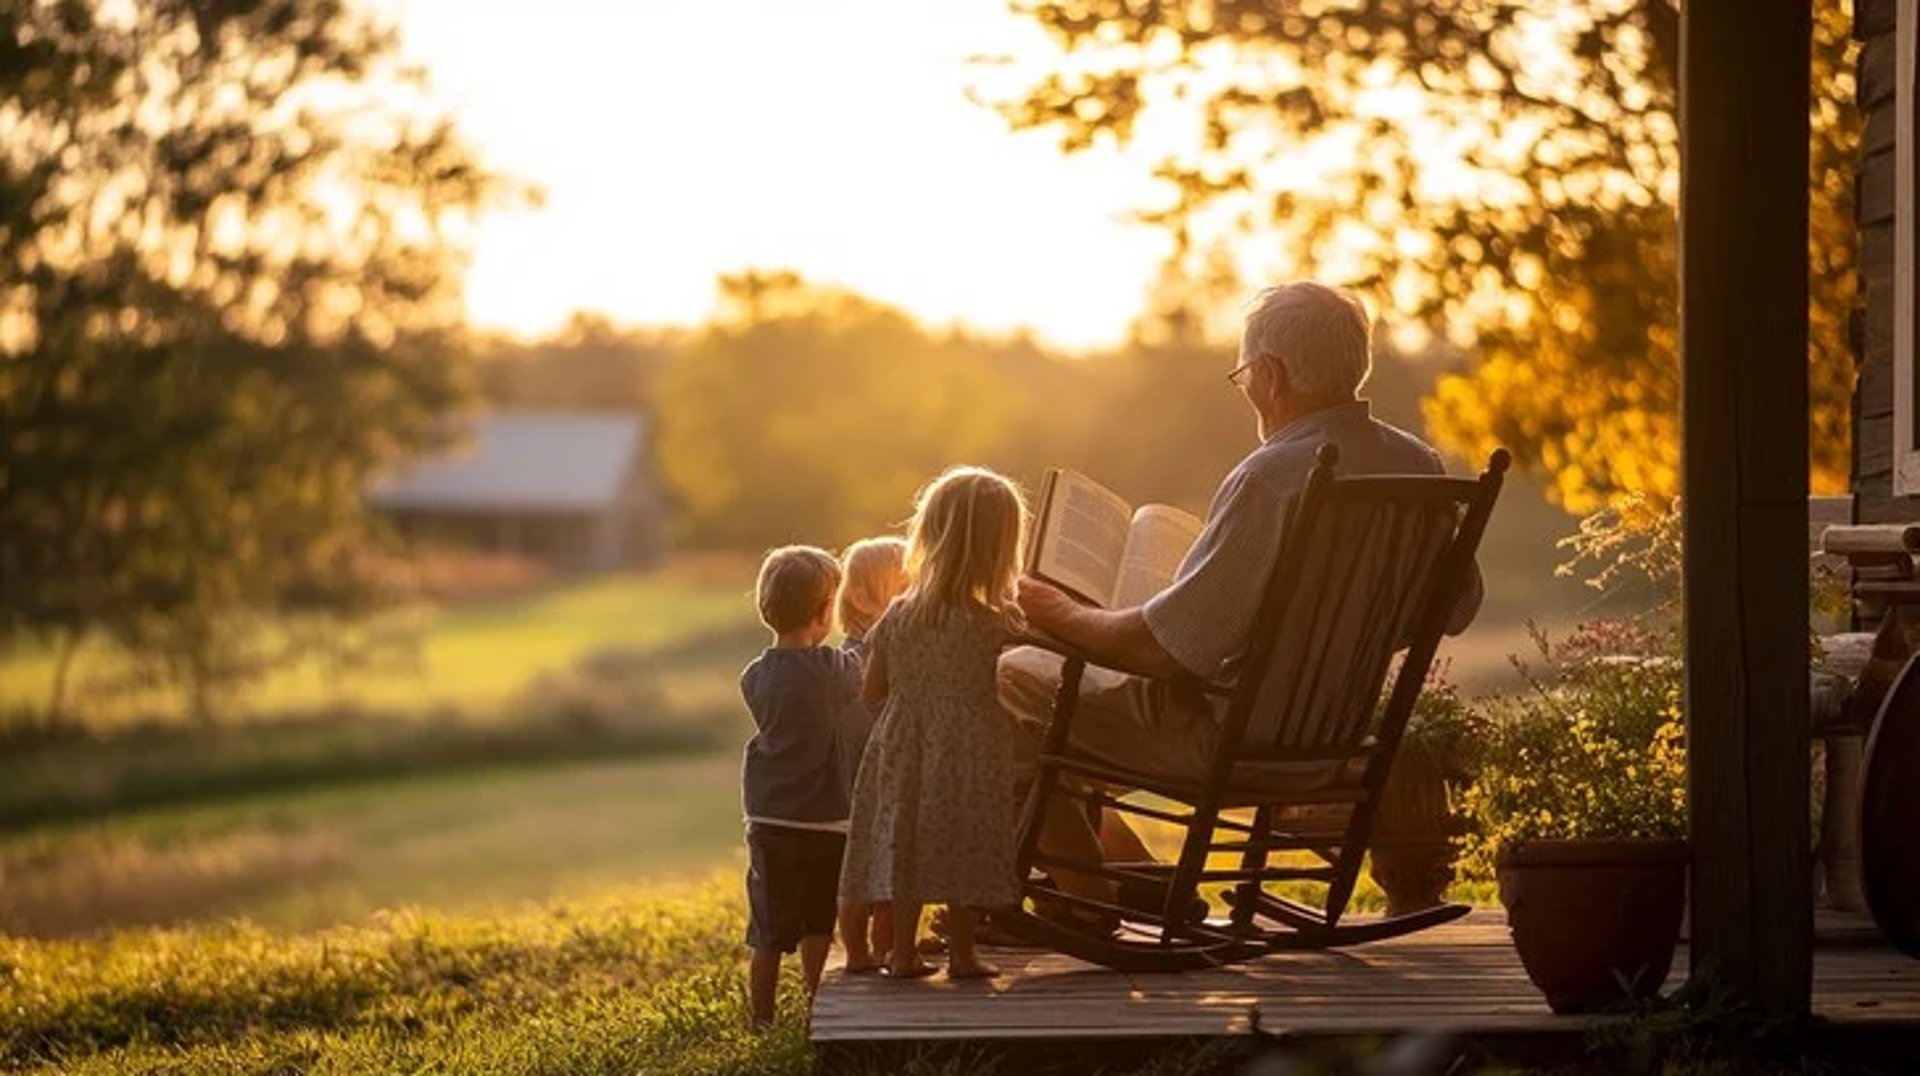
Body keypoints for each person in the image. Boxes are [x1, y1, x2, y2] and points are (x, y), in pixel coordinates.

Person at [1001, 282, 1484, 905]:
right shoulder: (1418, 464)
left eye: (1243, 376)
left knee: (1013, 674)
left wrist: (1058, 610)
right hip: (1332, 740)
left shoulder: (1274, 475)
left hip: (1228, 742)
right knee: (1053, 691)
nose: (1247, 391)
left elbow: (1167, 651)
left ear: (1270, 373)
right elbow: (1456, 608)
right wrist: (1338, 639)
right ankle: (1130, 875)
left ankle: (1091, 892)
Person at [838, 467, 1027, 980]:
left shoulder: (898, 614)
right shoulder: (997, 621)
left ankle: (901, 953)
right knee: (964, 839)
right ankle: (963, 954)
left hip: (904, 740)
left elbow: (873, 688)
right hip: (970, 744)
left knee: (907, 839)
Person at [738, 545, 865, 1029]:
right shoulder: (833, 668)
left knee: (767, 929)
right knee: (816, 921)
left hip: (769, 815)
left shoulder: (755, 675)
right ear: (824, 610)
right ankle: (818, 1010)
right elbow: (855, 683)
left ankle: (761, 1019)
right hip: (825, 817)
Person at [831, 535, 908, 972]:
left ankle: (890, 945)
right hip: (865, 782)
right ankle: (866, 951)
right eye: (903, 586)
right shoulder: (854, 658)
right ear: (860, 596)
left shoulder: (891, 644)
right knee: (866, 875)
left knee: (892, 877)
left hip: (889, 774)